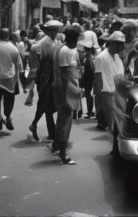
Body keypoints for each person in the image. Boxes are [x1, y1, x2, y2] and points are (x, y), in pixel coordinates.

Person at [52, 26, 82, 165]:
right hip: (66, 91)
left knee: (63, 119)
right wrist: (65, 98)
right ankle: (63, 156)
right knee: (66, 122)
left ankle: (57, 146)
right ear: (73, 39)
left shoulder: (70, 50)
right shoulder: (64, 50)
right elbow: (64, 76)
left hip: (71, 89)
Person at [28, 20, 62, 142]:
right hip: (45, 79)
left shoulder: (57, 42)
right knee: (45, 104)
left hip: (54, 77)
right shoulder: (42, 44)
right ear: (47, 31)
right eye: (52, 30)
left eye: (56, 30)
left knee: (50, 105)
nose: (54, 32)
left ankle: (47, 130)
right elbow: (36, 65)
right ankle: (45, 129)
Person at [0, 28, 22, 132]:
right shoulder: (13, 48)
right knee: (9, 102)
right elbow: (18, 66)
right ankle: (8, 117)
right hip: (9, 79)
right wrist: (16, 80)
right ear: (8, 36)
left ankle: (0, 118)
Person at [93, 31, 125, 133]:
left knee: (119, 125)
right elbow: (98, 78)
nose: (122, 46)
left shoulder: (117, 57)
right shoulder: (101, 57)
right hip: (108, 94)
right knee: (112, 124)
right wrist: (99, 98)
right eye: (120, 44)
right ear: (113, 43)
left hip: (119, 93)